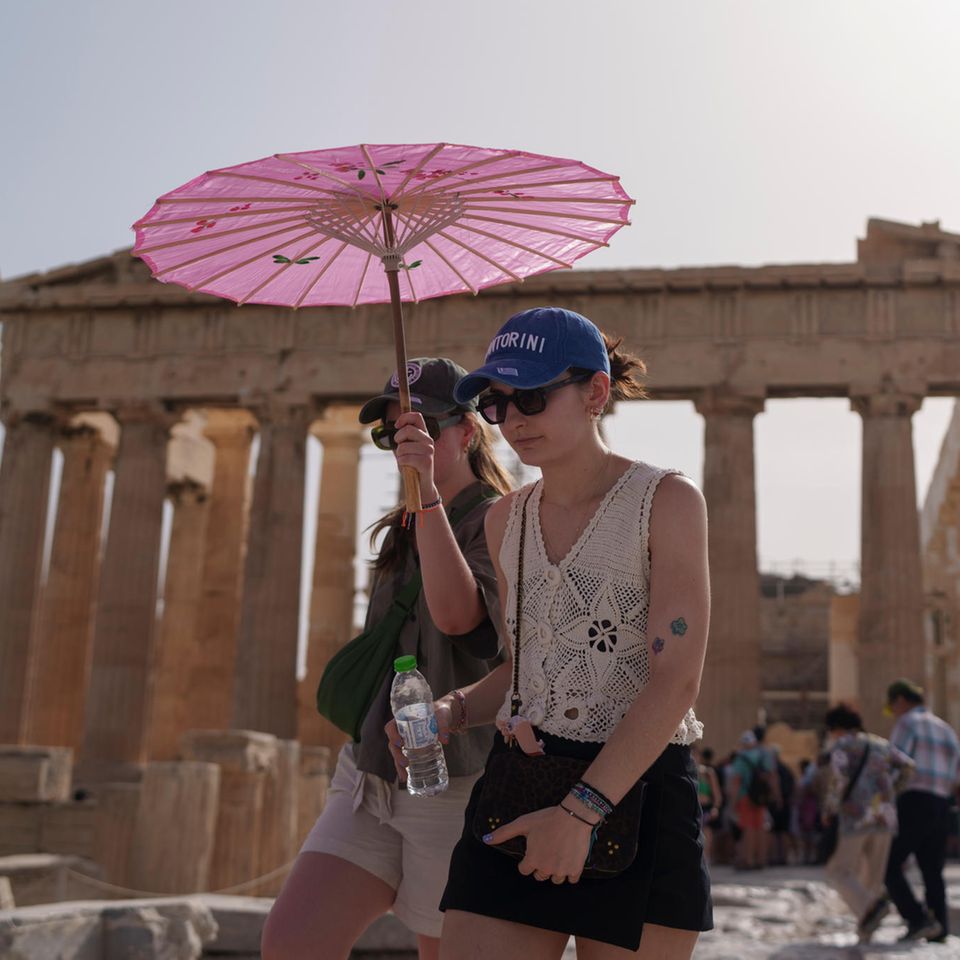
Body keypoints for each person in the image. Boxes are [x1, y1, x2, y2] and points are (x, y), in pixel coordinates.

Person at [388, 307, 713, 959]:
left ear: (595, 392)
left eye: (531, 396)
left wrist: (583, 811)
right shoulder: (504, 520)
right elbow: (523, 668)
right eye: (495, 403)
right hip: (521, 781)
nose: (511, 420)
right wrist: (451, 711)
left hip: (639, 788)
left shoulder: (668, 503)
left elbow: (675, 677)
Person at [261, 358, 513, 960]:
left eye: (420, 426)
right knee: (291, 944)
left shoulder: (499, 520)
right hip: (370, 773)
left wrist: (426, 491)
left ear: (466, 433)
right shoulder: (399, 527)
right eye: (391, 432)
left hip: (456, 781)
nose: (403, 442)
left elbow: (458, 620)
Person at [820, 704, 914, 944]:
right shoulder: (881, 743)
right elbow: (908, 766)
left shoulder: (842, 746)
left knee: (839, 870)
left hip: (856, 814)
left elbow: (839, 780)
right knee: (871, 877)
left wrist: (830, 809)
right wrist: (890, 792)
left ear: (836, 727)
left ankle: (872, 908)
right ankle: (866, 931)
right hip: (885, 814)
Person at [883, 678, 960, 943]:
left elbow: (897, 762)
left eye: (892, 707)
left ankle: (917, 919)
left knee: (889, 864)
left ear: (900, 701)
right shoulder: (947, 729)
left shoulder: (907, 723)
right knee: (932, 869)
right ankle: (939, 927)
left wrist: (886, 798)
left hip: (914, 799)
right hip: (941, 802)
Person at [727, 730, 777, 869]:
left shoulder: (740, 759)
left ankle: (749, 860)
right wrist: (774, 794)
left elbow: (736, 782)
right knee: (761, 827)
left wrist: (733, 803)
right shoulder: (764, 755)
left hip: (746, 796)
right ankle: (761, 859)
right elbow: (772, 776)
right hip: (761, 797)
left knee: (748, 828)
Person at [696, 746, 723, 865]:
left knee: (707, 834)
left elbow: (717, 794)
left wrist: (715, 808)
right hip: (693, 807)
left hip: (705, 808)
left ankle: (706, 859)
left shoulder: (708, 773)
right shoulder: (687, 771)